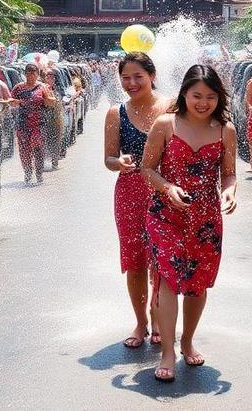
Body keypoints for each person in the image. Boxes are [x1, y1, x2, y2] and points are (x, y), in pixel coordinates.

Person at [140, 64, 237, 383]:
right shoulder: (165, 124)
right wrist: (168, 187)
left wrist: (229, 192)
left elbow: (229, 173)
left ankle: (187, 340)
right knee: (168, 278)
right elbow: (147, 169)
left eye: (210, 97)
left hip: (206, 217)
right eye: (197, 95)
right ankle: (167, 350)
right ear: (184, 94)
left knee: (197, 284)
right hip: (165, 214)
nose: (203, 102)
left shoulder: (225, 130)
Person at [103, 53, 168, 350]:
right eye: (125, 77)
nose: (131, 83)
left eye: (138, 77)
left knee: (162, 260)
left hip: (163, 192)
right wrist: (120, 163)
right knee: (136, 261)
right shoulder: (116, 113)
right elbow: (108, 158)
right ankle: (140, 322)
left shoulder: (171, 108)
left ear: (152, 75)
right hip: (129, 193)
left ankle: (159, 319)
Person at [12, 63, 51, 185]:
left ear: (37, 75)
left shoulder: (43, 87)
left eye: (33, 73)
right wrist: (15, 103)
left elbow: (51, 102)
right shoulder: (18, 88)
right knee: (24, 150)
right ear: (25, 74)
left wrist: (48, 100)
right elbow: (11, 102)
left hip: (39, 123)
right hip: (23, 123)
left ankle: (39, 173)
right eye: (28, 73)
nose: (30, 76)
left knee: (38, 147)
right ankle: (28, 172)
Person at [41, 68, 65, 170]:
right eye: (48, 76)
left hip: (56, 118)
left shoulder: (58, 88)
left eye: (52, 76)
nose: (50, 78)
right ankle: (41, 163)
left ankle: (55, 162)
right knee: (43, 141)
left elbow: (61, 100)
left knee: (56, 140)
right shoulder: (41, 88)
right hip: (43, 118)